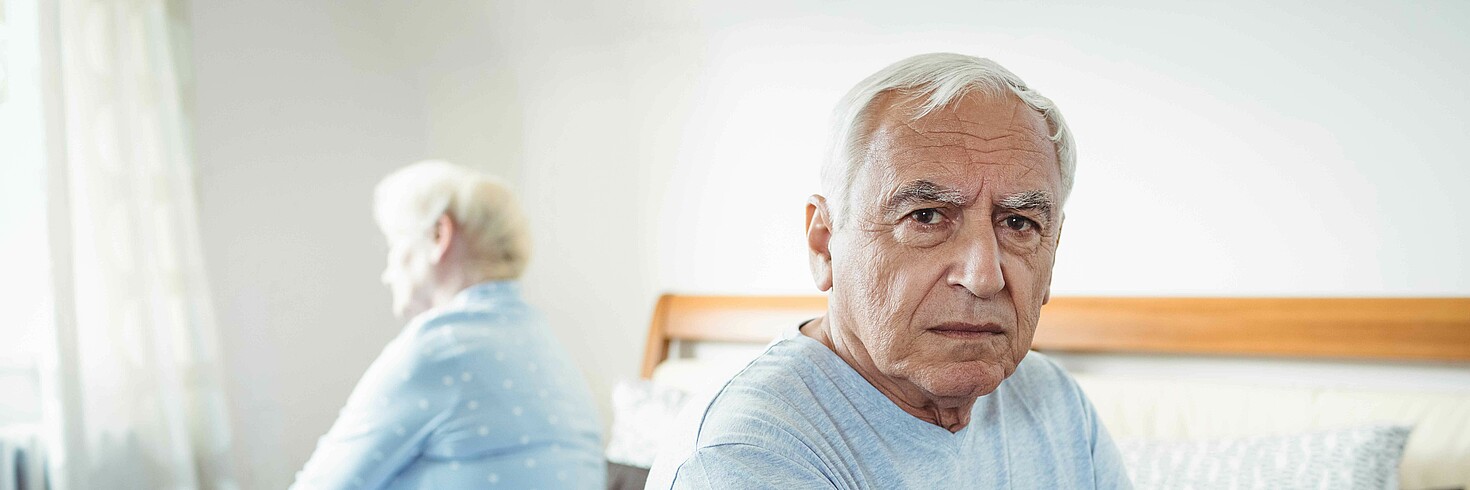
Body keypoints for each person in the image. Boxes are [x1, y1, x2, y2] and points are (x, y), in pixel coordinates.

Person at [647, 53, 1131, 488]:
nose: (984, 276)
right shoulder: (747, 458)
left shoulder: (1055, 403)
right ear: (824, 244)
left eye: (1019, 222)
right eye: (925, 216)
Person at [291, 161, 605, 489]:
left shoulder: (440, 346)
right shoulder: (547, 345)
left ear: (439, 235)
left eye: (396, 242)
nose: (387, 273)